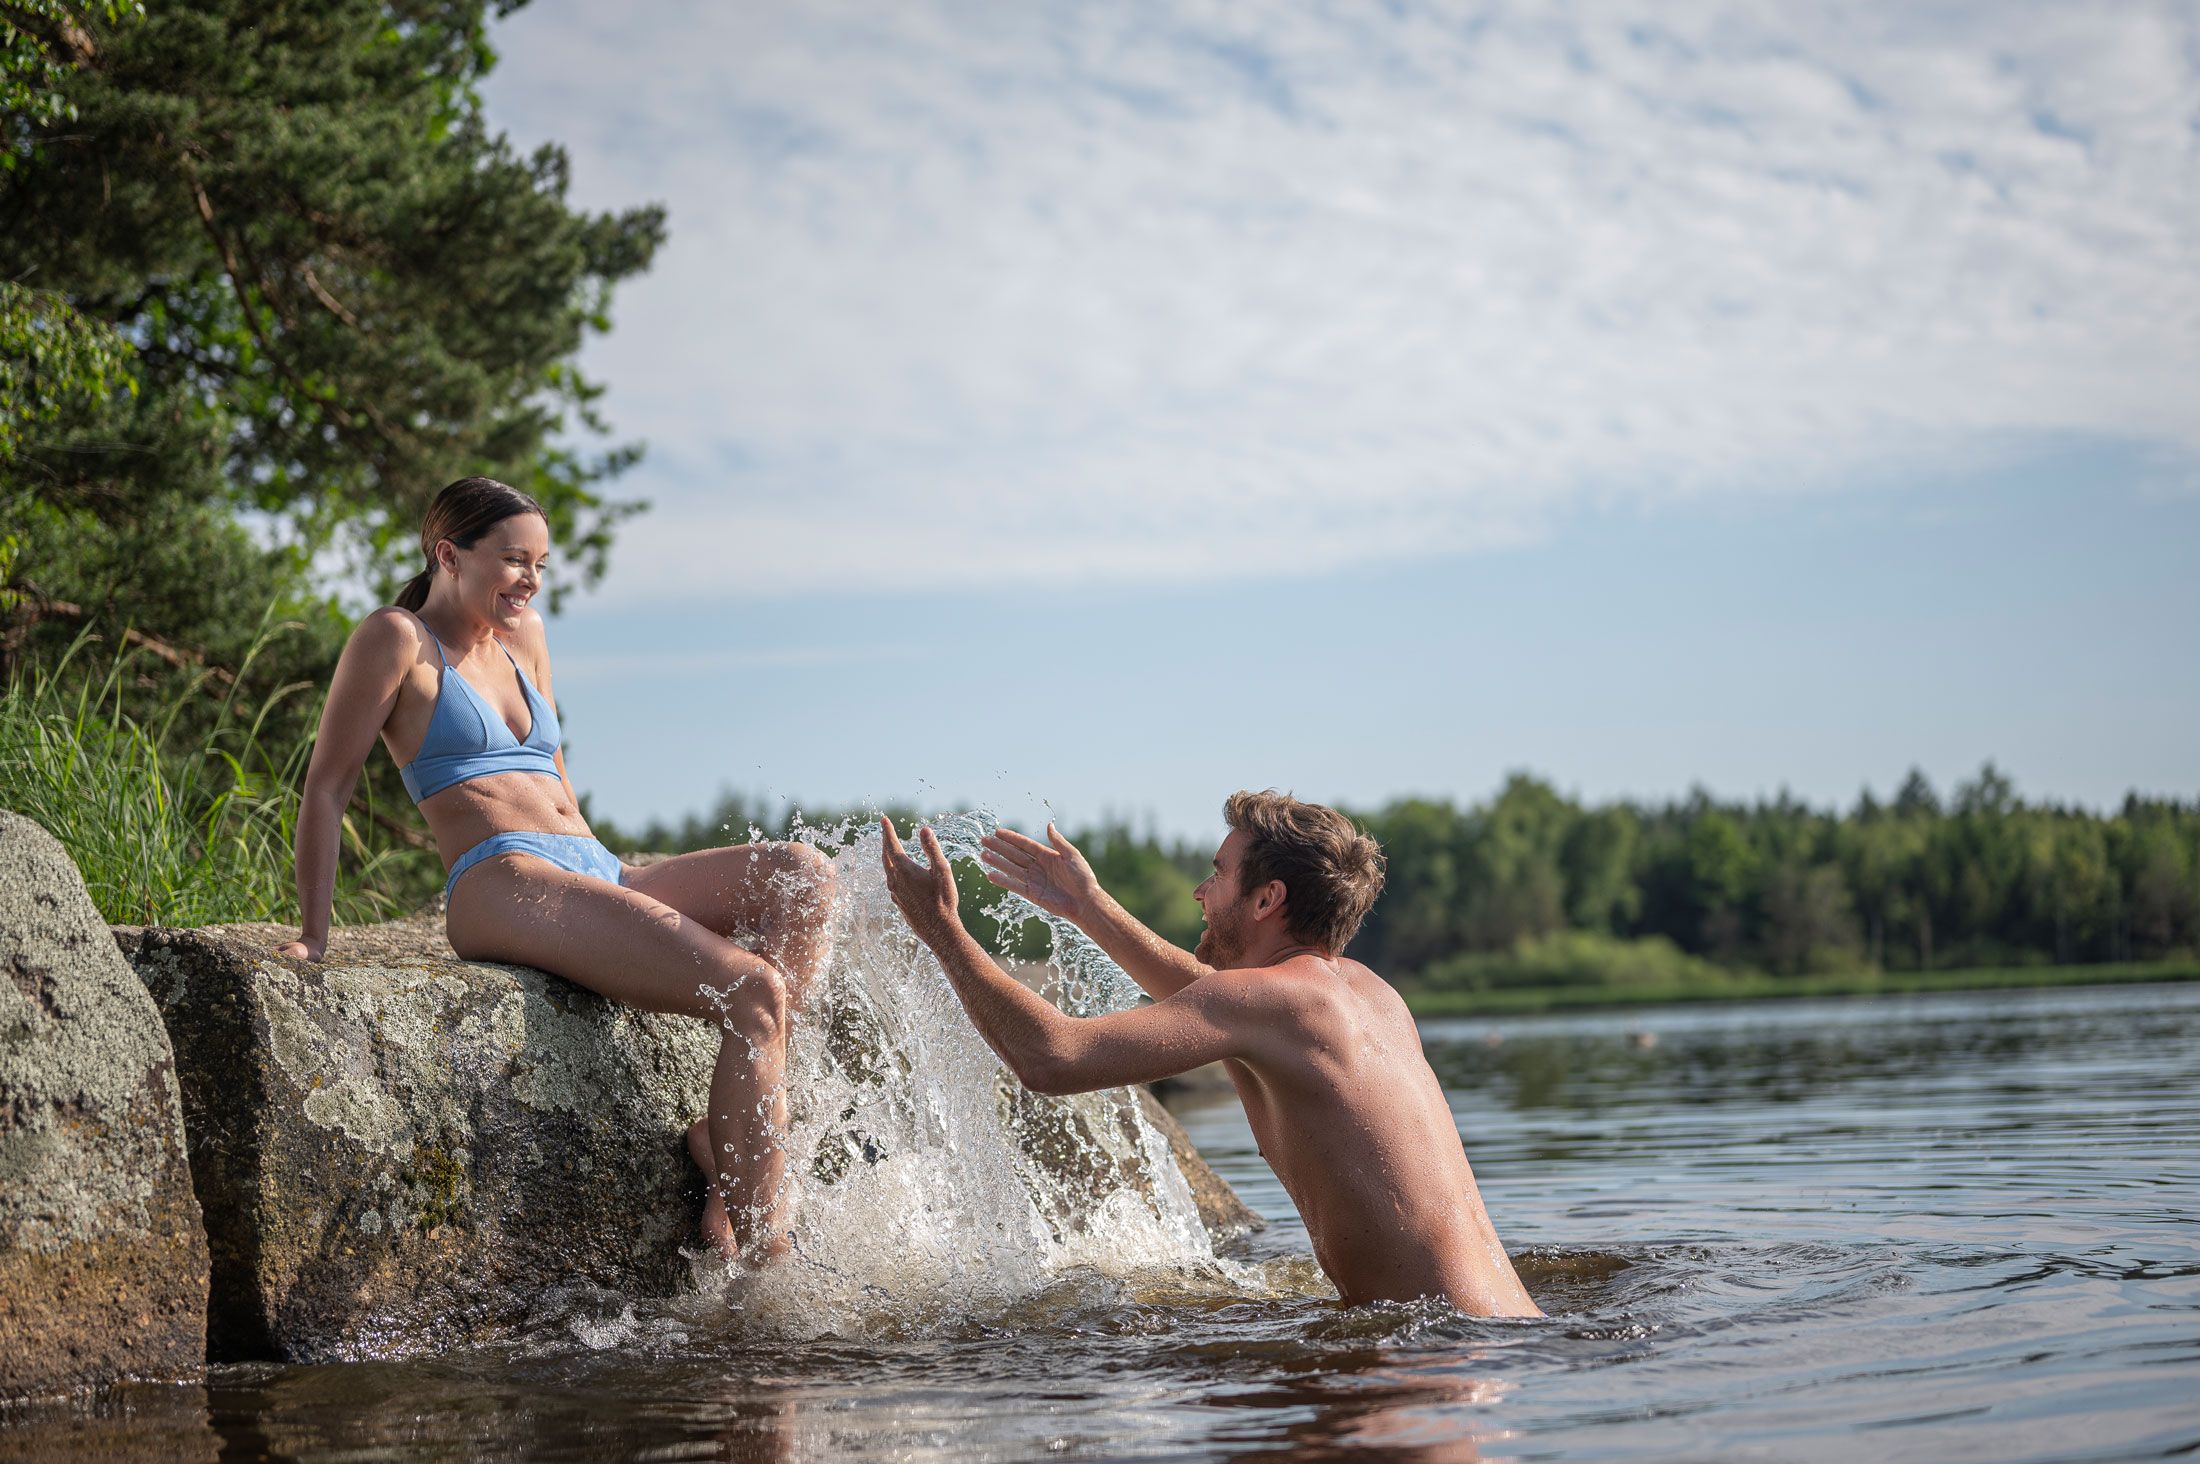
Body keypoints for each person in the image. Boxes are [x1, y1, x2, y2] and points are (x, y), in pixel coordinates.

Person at [276, 477, 834, 1262]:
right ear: (449, 554)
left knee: (803, 875)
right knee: (753, 988)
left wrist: (624, 885)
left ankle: (728, 1147)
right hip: (499, 879)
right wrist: (312, 935)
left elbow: (556, 783)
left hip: (588, 866)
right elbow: (327, 788)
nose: (530, 580)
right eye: (512, 560)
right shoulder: (397, 639)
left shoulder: (526, 636)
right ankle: (771, 1258)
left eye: (539, 563)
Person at [877, 791, 1541, 1317]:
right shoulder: (1369, 996)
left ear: (1265, 899)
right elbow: (1219, 1001)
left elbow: (1053, 1059)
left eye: (1218, 874)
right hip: (1504, 1332)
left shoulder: (1269, 1004)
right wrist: (1088, 906)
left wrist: (941, 929)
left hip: (1433, 1354)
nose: (1200, 890)